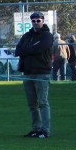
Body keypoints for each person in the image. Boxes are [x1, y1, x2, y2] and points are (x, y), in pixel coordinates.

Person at [15, 11, 53, 139]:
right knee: (32, 104)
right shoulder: (27, 35)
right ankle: (36, 128)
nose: (36, 23)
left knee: (43, 102)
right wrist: (29, 49)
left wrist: (27, 49)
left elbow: (38, 49)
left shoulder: (47, 35)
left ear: (43, 21)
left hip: (42, 72)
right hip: (28, 72)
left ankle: (45, 130)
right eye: (33, 21)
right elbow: (17, 50)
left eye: (38, 20)